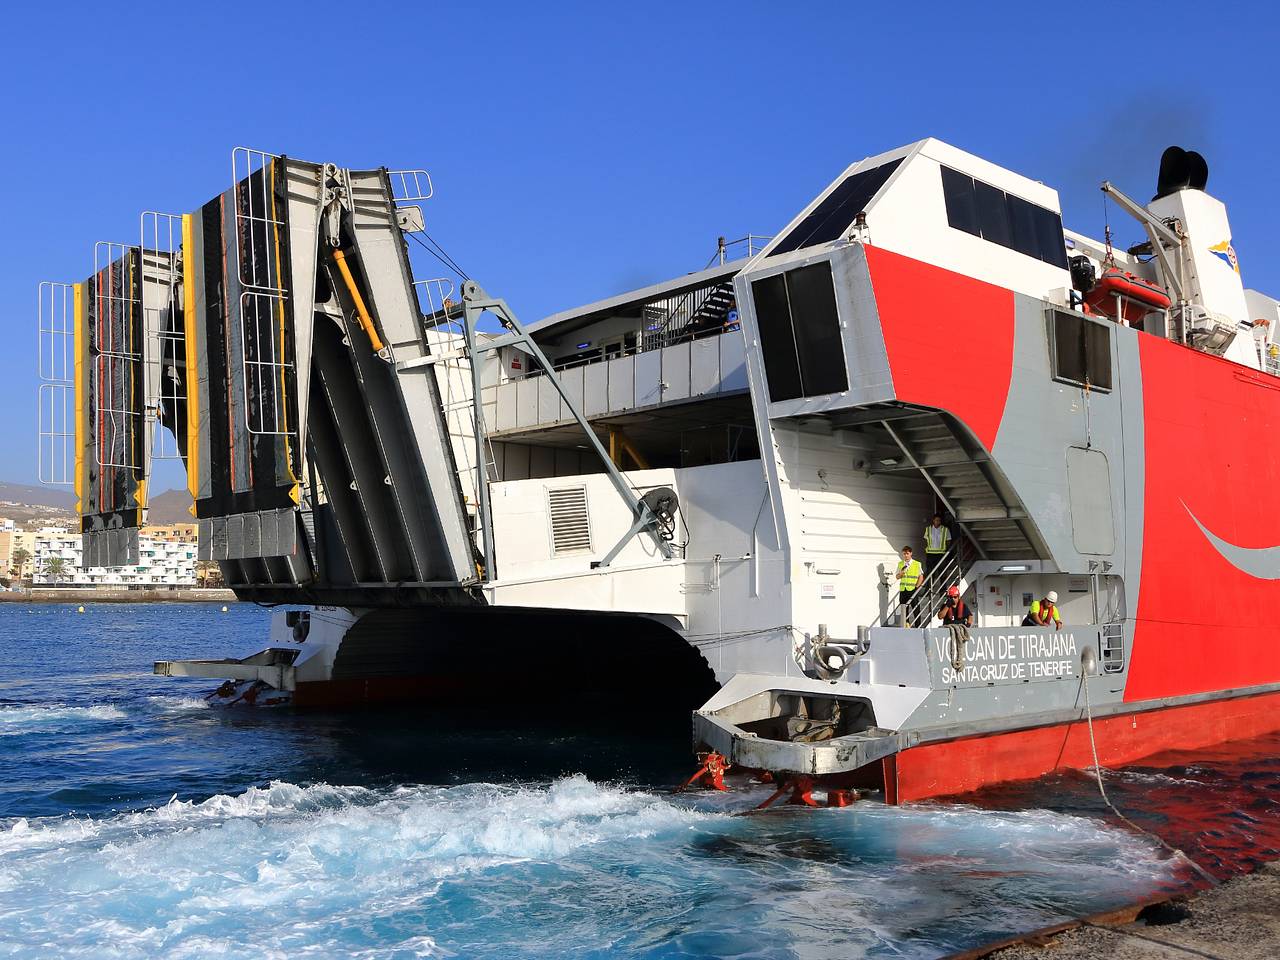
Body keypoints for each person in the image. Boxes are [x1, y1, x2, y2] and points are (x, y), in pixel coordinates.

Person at [895, 546, 923, 626]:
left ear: (911, 553)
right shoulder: (900, 564)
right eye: (904, 554)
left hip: (912, 589)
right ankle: (906, 625)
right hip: (903, 590)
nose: (906, 555)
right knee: (904, 609)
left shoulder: (917, 564)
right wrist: (901, 573)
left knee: (916, 608)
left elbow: (920, 576)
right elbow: (897, 577)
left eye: (907, 553)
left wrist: (917, 587)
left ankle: (918, 625)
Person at [922, 513, 951, 580]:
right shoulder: (928, 529)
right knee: (930, 572)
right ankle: (929, 588)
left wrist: (946, 550)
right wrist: (926, 549)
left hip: (941, 554)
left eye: (939, 520)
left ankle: (943, 589)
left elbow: (948, 541)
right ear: (933, 520)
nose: (938, 522)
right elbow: (925, 540)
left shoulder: (945, 529)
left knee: (942, 572)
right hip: (930, 554)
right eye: (936, 520)